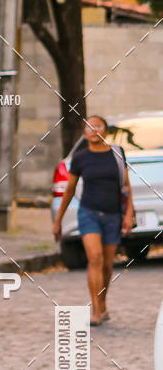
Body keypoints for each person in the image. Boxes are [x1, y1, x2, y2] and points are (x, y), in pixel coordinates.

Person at [53, 115, 134, 326]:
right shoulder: (80, 158)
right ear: (84, 132)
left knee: (107, 265)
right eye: (89, 126)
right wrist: (58, 220)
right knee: (95, 259)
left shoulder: (117, 154)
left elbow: (126, 187)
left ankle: (103, 303)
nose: (93, 129)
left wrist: (128, 215)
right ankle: (96, 310)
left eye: (98, 126)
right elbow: (69, 190)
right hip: (88, 213)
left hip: (113, 215)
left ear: (105, 131)